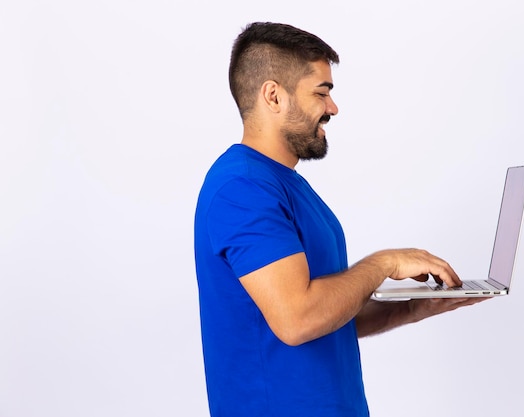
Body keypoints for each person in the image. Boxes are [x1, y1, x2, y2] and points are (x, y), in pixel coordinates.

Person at [194, 21, 486, 417]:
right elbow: (298, 318)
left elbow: (325, 314)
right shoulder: (243, 190)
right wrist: (385, 263)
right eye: (321, 92)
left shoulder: (284, 184)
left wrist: (414, 308)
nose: (332, 108)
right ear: (273, 96)